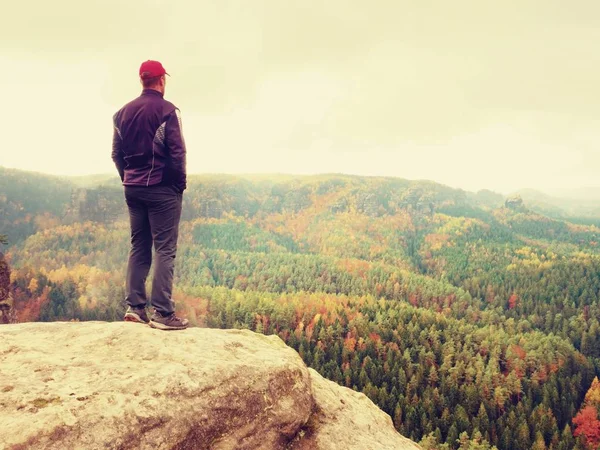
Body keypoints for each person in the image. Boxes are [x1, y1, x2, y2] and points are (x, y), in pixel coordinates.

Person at [112, 60, 189, 330]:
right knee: (165, 249)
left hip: (132, 189)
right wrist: (178, 185)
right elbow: (178, 153)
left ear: (142, 80)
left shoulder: (121, 113)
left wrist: (128, 179)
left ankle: (135, 307)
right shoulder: (168, 111)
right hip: (161, 189)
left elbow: (116, 154)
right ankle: (163, 313)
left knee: (139, 246)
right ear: (161, 81)